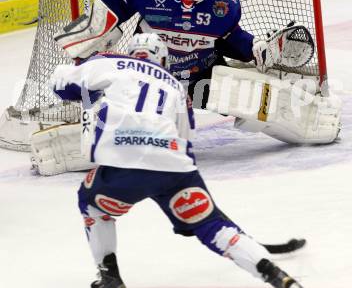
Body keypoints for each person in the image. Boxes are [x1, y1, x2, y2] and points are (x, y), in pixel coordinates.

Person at [51, 33, 304, 288]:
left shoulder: (111, 63)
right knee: (212, 226)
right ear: (162, 59)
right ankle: (280, 278)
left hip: (125, 161)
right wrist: (190, 192)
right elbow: (185, 140)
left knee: (91, 203)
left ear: (132, 53)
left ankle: (110, 278)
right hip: (173, 164)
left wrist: (84, 91)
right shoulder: (175, 86)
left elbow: (60, 82)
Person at [55, 0, 277, 109]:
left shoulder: (222, 3)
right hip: (151, 75)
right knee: (138, 109)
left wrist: (253, 48)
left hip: (200, 75)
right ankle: (96, 109)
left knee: (246, 101)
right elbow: (112, 7)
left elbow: (231, 39)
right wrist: (94, 33)